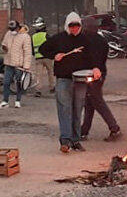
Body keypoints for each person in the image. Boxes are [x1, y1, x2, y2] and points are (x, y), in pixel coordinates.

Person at [38, 12, 100, 153]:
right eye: (71, 26)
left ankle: (76, 140)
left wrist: (96, 68)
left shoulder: (85, 40)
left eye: (77, 26)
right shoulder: (59, 39)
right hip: (63, 79)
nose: (74, 29)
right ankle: (65, 140)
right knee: (65, 110)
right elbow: (43, 49)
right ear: (67, 26)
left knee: (77, 110)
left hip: (80, 81)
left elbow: (93, 56)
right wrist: (54, 55)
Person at [80, 17, 122, 141]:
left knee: (96, 100)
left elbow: (87, 57)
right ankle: (84, 131)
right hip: (100, 73)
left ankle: (114, 128)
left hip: (92, 74)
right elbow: (103, 57)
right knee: (90, 101)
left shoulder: (86, 40)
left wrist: (93, 68)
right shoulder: (102, 40)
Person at [0, 22, 32, 109]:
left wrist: (26, 65)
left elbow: (27, 52)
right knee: (6, 82)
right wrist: (4, 47)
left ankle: (18, 100)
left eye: (13, 29)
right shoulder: (8, 34)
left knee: (19, 83)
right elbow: (4, 44)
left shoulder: (25, 36)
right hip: (9, 62)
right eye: (10, 29)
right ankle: (5, 101)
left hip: (19, 64)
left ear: (18, 27)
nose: (12, 31)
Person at [31, 17, 55, 97]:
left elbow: (32, 49)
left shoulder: (33, 37)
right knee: (51, 72)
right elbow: (51, 45)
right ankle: (52, 87)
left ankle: (38, 90)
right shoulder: (46, 35)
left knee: (39, 75)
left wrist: (35, 54)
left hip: (38, 58)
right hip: (47, 58)